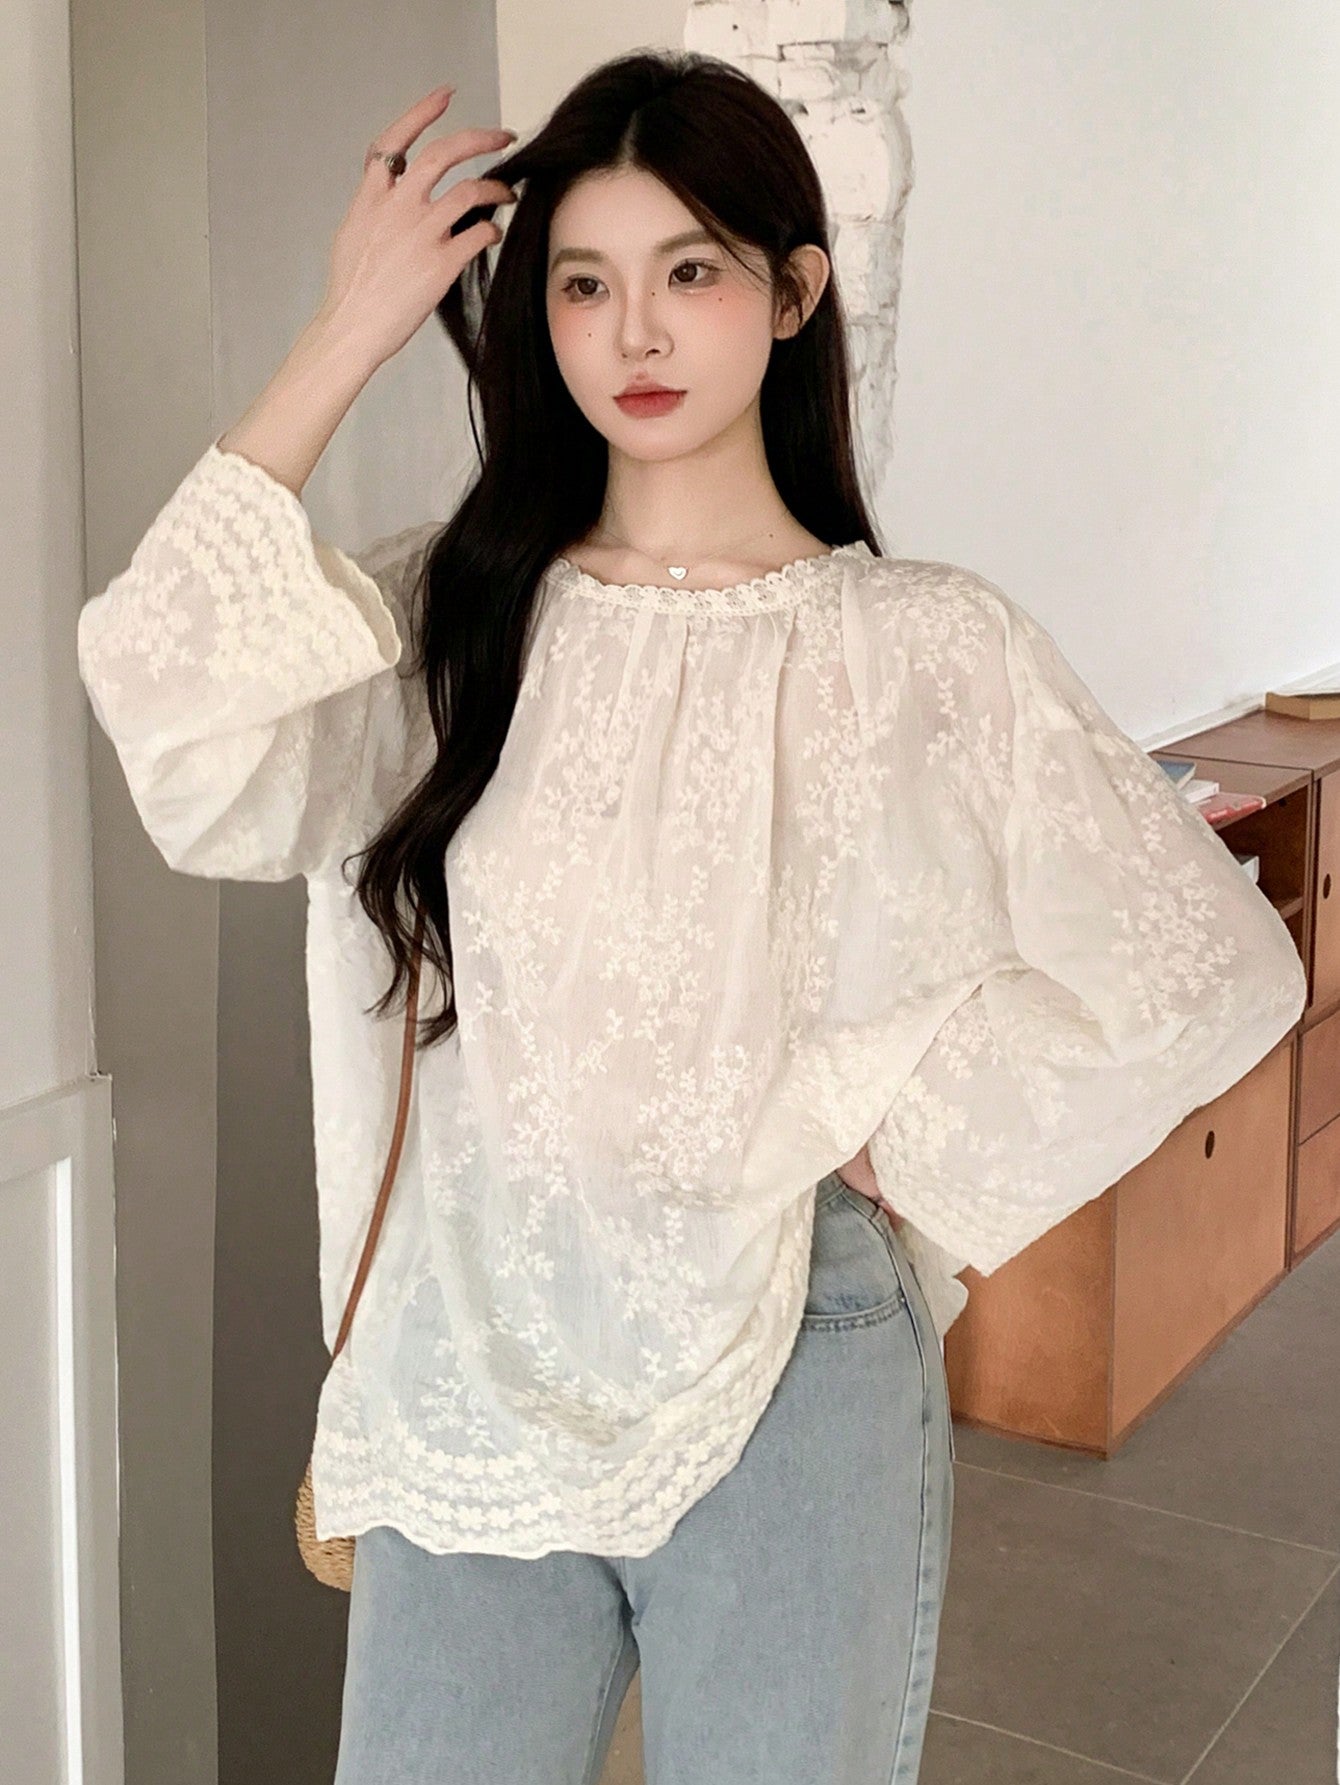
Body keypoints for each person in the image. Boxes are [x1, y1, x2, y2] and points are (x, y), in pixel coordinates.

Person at [75, 49, 1306, 1785]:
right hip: (471, 1361)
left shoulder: (920, 645)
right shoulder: (452, 619)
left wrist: (904, 1134)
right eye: (583, 284)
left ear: (793, 293)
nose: (634, 333)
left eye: (691, 271)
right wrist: (351, 327)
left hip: (795, 1357)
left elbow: (1207, 965)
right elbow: (173, 721)